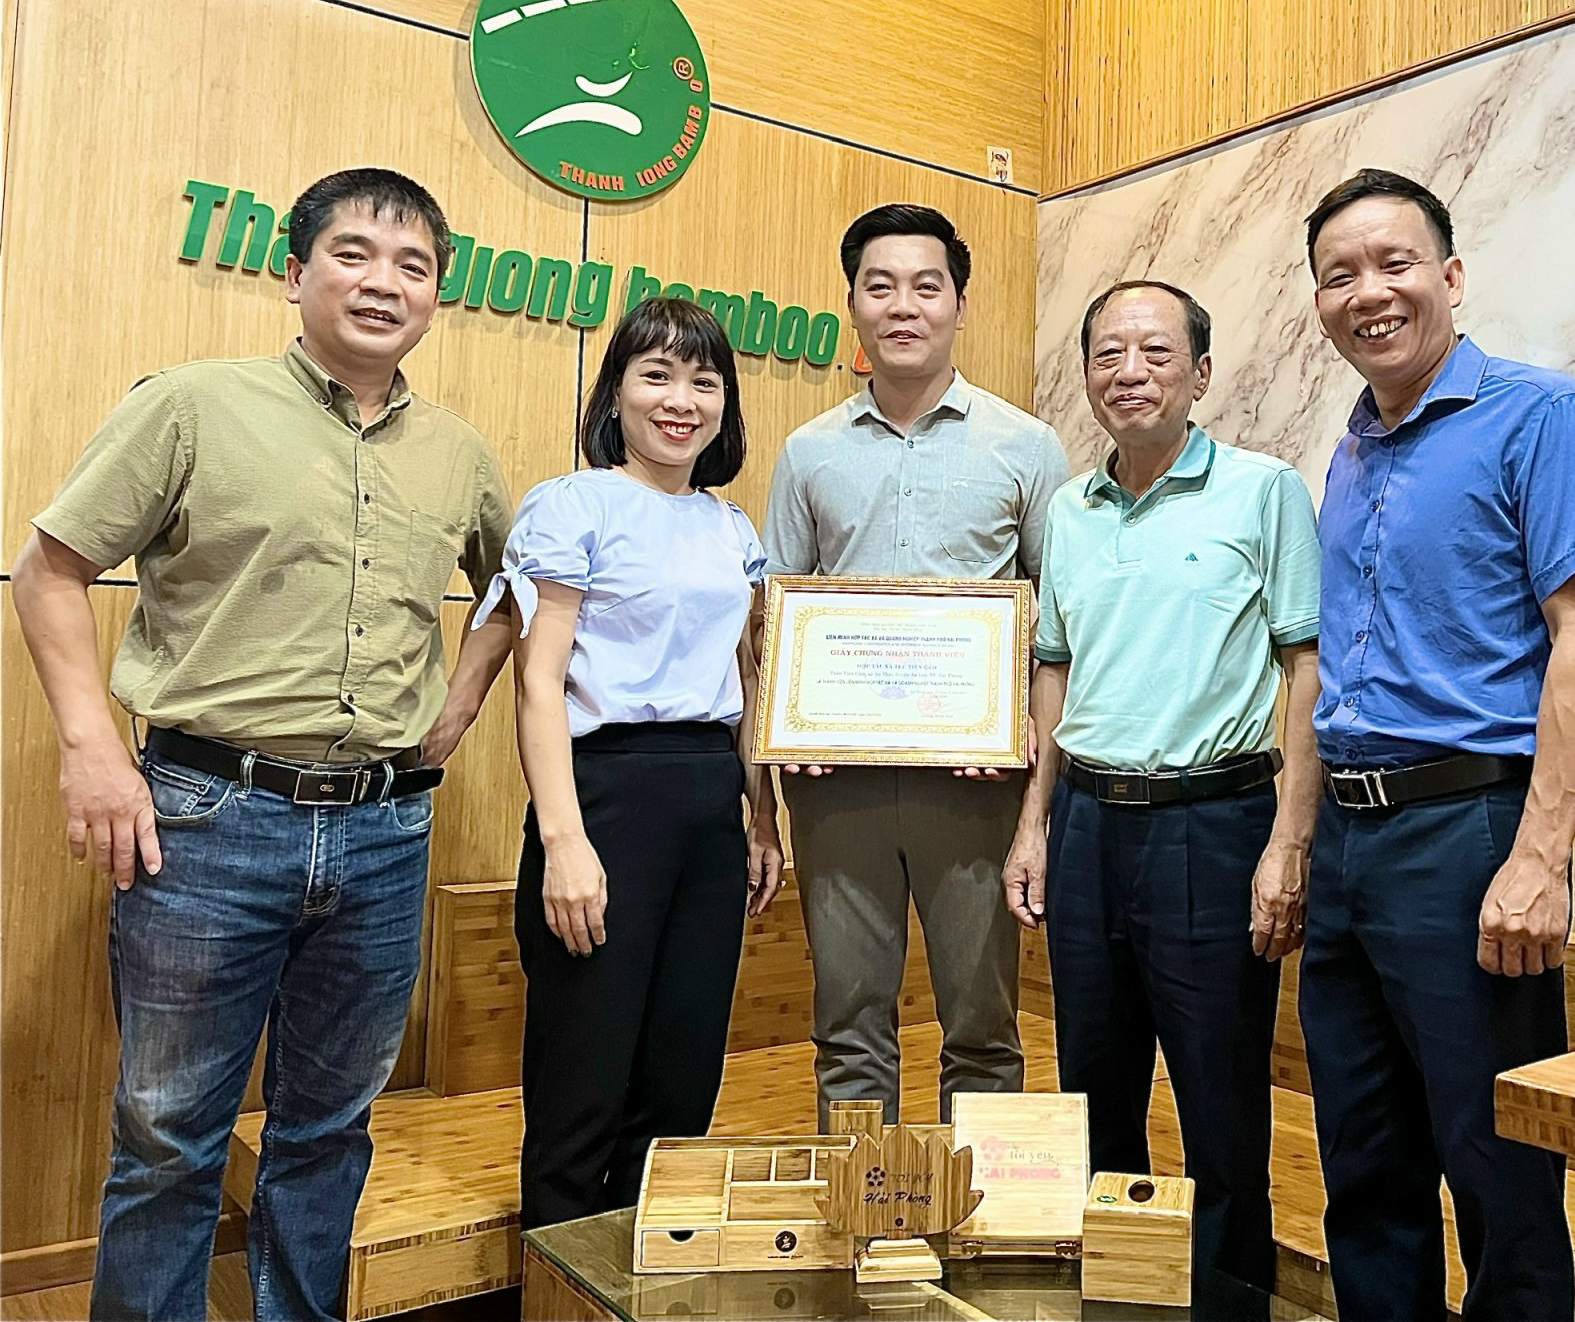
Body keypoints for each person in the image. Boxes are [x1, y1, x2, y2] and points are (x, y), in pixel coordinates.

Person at [11, 168, 515, 1322]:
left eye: (413, 265)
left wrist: (458, 705)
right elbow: (48, 571)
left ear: (436, 295)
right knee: (169, 1134)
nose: (383, 282)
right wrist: (93, 748)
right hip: (205, 823)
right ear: (295, 274)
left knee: (329, 1131)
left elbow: (513, 596)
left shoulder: (458, 452)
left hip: (386, 834)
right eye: (353, 253)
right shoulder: (191, 405)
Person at [1298, 168, 1575, 1322]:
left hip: (1467, 831)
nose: (1367, 292)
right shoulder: (1350, 450)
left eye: (1393, 263)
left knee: (1496, 1163)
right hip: (1346, 839)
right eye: (1337, 275)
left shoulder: (1541, 416)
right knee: (1362, 1159)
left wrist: (1538, 859)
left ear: (1448, 274)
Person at [1003, 280, 1320, 1293]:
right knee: (1093, 1091)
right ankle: (1118, 1297)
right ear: (1086, 374)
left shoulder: (1264, 490)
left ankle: (1231, 1302)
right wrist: (1034, 824)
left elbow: (1307, 667)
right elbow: (1053, 669)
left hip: (1215, 823)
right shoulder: (1070, 509)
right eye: (1107, 354)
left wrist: (1290, 841)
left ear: (1200, 373)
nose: (1129, 373)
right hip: (1087, 825)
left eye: (1155, 353)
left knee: (1220, 1104)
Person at [764, 203, 1068, 1125]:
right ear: (852, 304)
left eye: (927, 287)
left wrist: (1022, 732)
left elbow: (1056, 624)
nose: (904, 306)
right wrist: (791, 723)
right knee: (847, 1024)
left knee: (983, 1025)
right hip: (837, 786)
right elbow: (778, 613)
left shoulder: (1027, 446)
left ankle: (981, 1211)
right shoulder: (808, 452)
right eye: (880, 286)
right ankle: (862, 1207)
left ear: (960, 306)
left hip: (976, 785)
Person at [484, 298, 785, 1229]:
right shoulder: (573, 503)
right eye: (656, 375)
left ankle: (645, 1276)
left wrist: (763, 816)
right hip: (604, 797)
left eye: (704, 381)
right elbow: (538, 683)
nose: (680, 401)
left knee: (681, 1077)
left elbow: (749, 679)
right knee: (584, 1075)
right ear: (615, 391)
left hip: (710, 802)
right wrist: (563, 841)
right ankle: (560, 1279)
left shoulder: (731, 527)